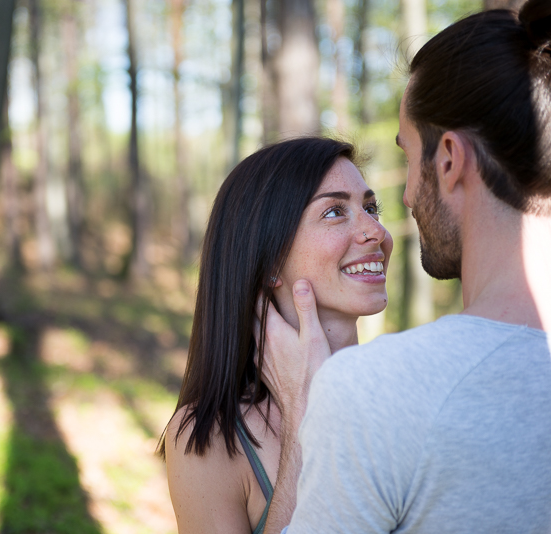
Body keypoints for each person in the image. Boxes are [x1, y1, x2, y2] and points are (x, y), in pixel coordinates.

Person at [260, 3, 551, 533]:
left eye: (407, 155)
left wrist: (309, 402)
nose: (407, 199)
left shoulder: (378, 393)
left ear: (447, 160)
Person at [159, 137, 393, 534]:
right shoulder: (210, 439)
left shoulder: (404, 395)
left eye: (371, 208)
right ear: (269, 260)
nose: (376, 231)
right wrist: (303, 411)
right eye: (335, 211)